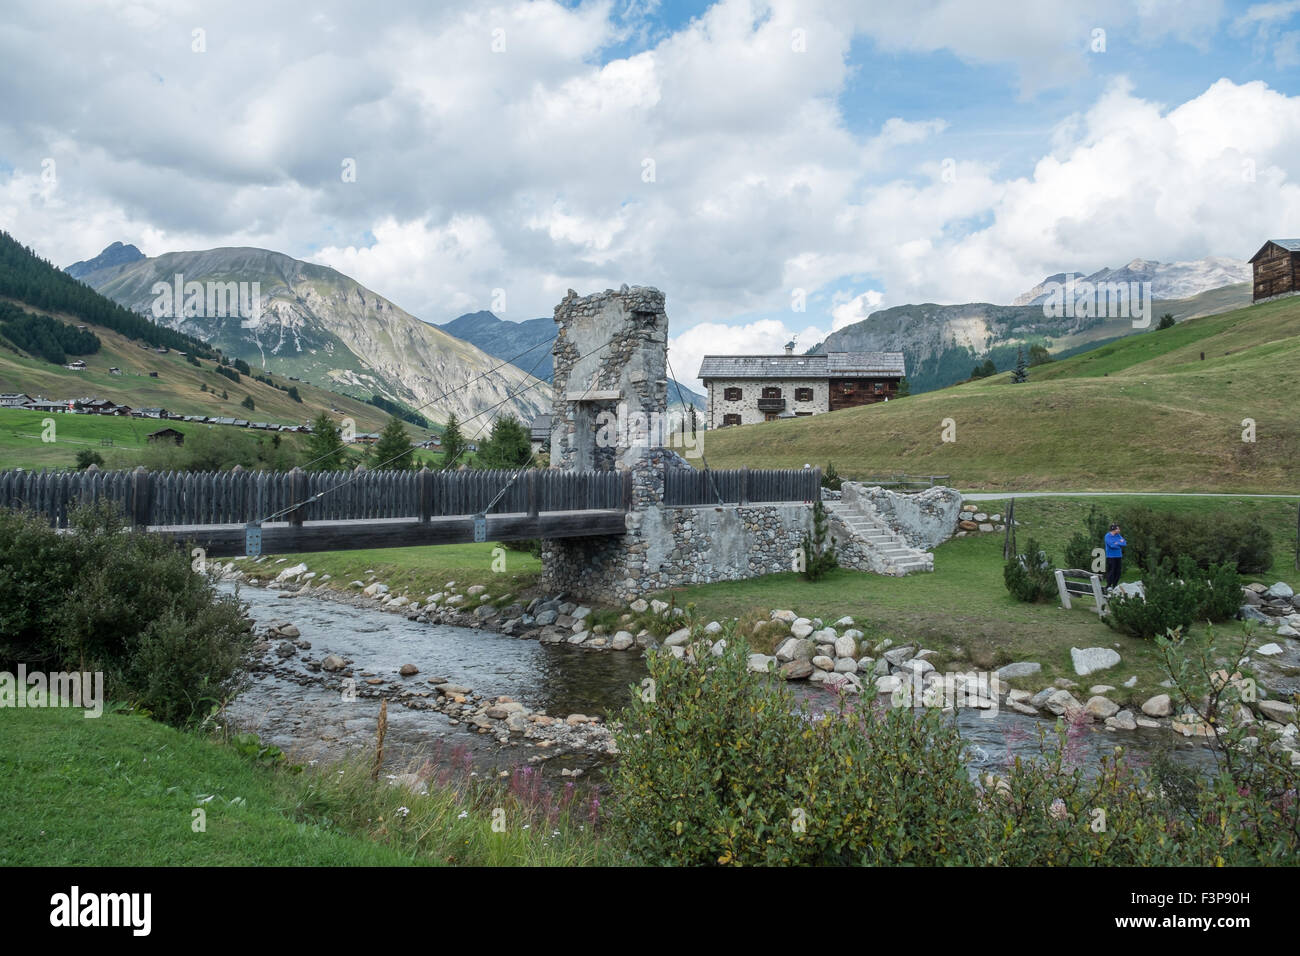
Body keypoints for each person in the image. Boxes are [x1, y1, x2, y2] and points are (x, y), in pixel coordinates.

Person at [1103, 523, 1126, 590]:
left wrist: (1117, 543)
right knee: (1111, 571)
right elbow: (1112, 545)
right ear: (1114, 529)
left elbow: (1124, 543)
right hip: (1111, 556)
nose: (1119, 530)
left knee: (1118, 571)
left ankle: (1115, 585)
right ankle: (1109, 585)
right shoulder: (1107, 536)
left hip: (1118, 556)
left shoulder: (1118, 535)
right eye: (1118, 529)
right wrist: (1119, 543)